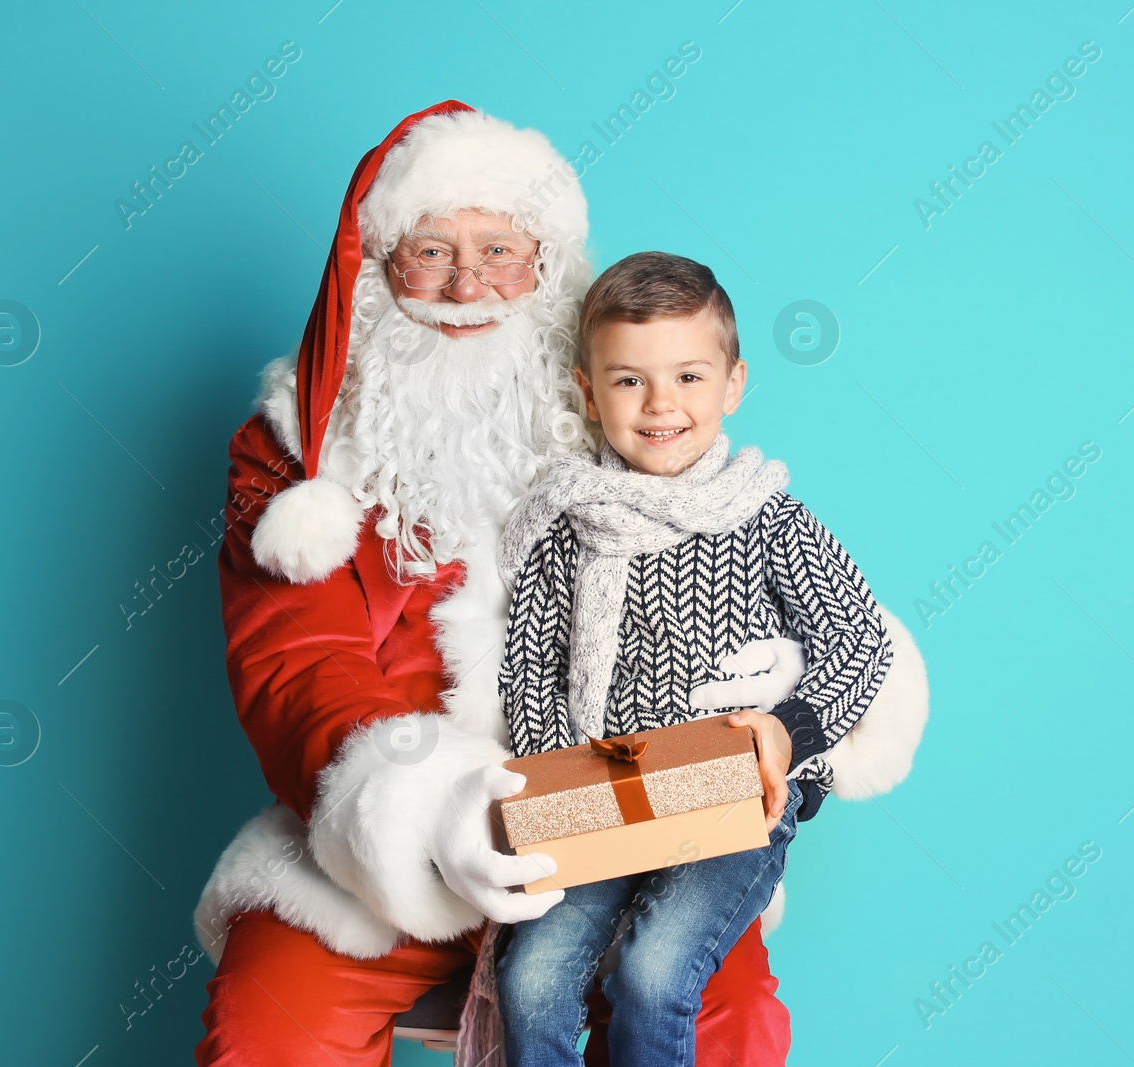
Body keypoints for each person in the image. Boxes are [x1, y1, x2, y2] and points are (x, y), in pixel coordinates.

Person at [191, 102, 931, 1065]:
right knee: (267, 1026)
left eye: (501, 249)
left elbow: (834, 625)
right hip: (388, 858)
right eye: (429, 251)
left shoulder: (636, 414)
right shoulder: (297, 454)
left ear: (548, 269)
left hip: (631, 821)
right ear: (375, 271)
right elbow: (298, 667)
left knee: (718, 1011)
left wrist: (775, 702)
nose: (467, 285)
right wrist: (434, 807)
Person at [488, 252, 892, 1066]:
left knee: (652, 972)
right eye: (630, 380)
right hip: (602, 790)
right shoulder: (568, 523)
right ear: (588, 389)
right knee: (529, 979)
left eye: (688, 376)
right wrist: (551, 790)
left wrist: (786, 730)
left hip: (733, 787)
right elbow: (530, 667)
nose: (661, 404)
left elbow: (859, 637)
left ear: (733, 384)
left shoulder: (765, 516)